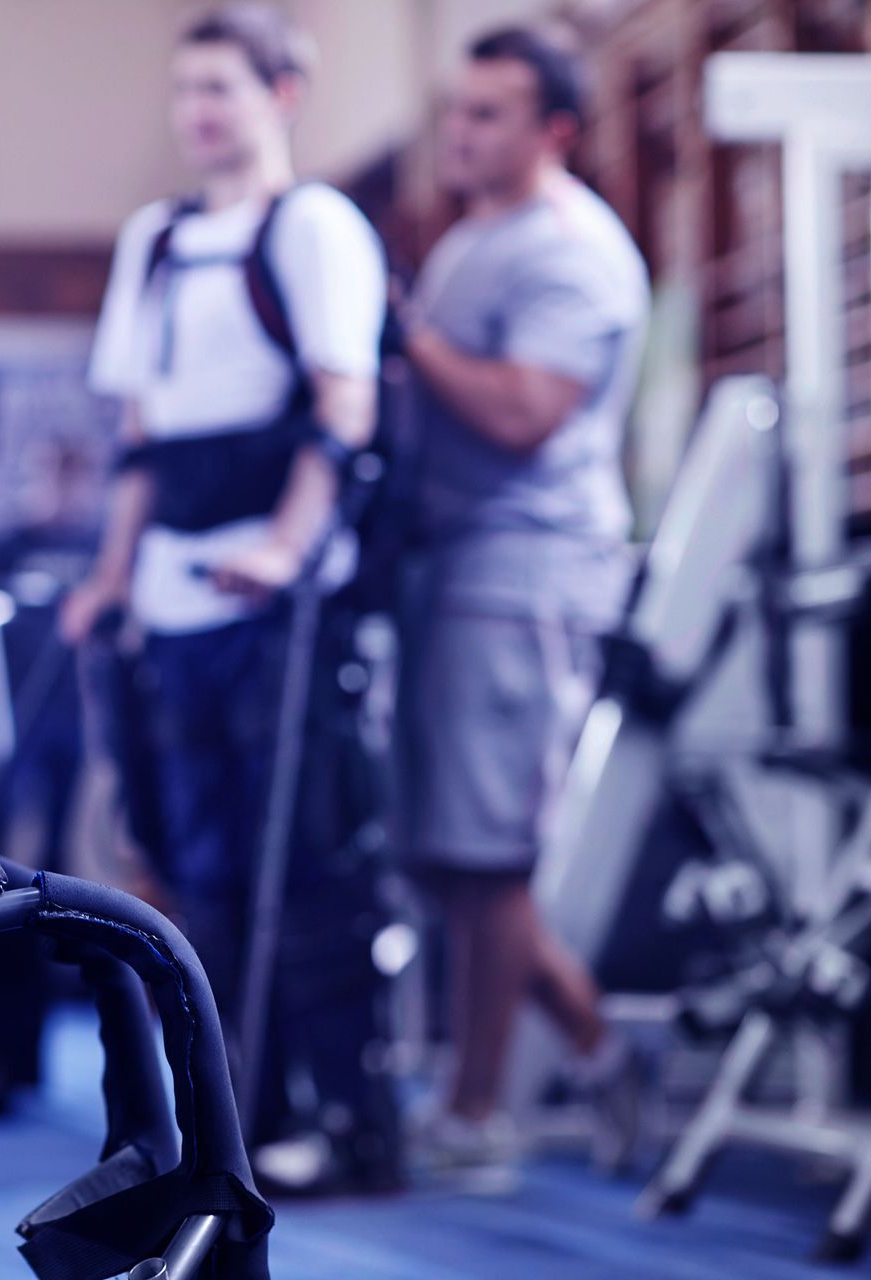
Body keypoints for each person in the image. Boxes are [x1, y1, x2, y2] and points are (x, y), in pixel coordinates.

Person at [61, 3, 394, 1191]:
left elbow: (341, 409)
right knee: (193, 862)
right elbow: (141, 437)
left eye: (224, 89)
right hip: (176, 598)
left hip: (278, 599)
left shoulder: (315, 229)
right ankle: (234, 1111)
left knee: (301, 864)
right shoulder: (153, 241)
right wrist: (108, 578)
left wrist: (290, 546)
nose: (201, 113)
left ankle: (346, 1118)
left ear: (281, 95)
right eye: (186, 90)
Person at [398, 24, 650, 1172]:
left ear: (554, 131)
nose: (462, 130)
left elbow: (520, 412)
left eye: (491, 113)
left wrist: (400, 336)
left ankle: (476, 1113)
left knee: (490, 853)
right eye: (459, 109)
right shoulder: (474, 238)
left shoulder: (573, 250)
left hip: (526, 569)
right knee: (451, 857)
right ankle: (600, 1050)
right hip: (454, 569)